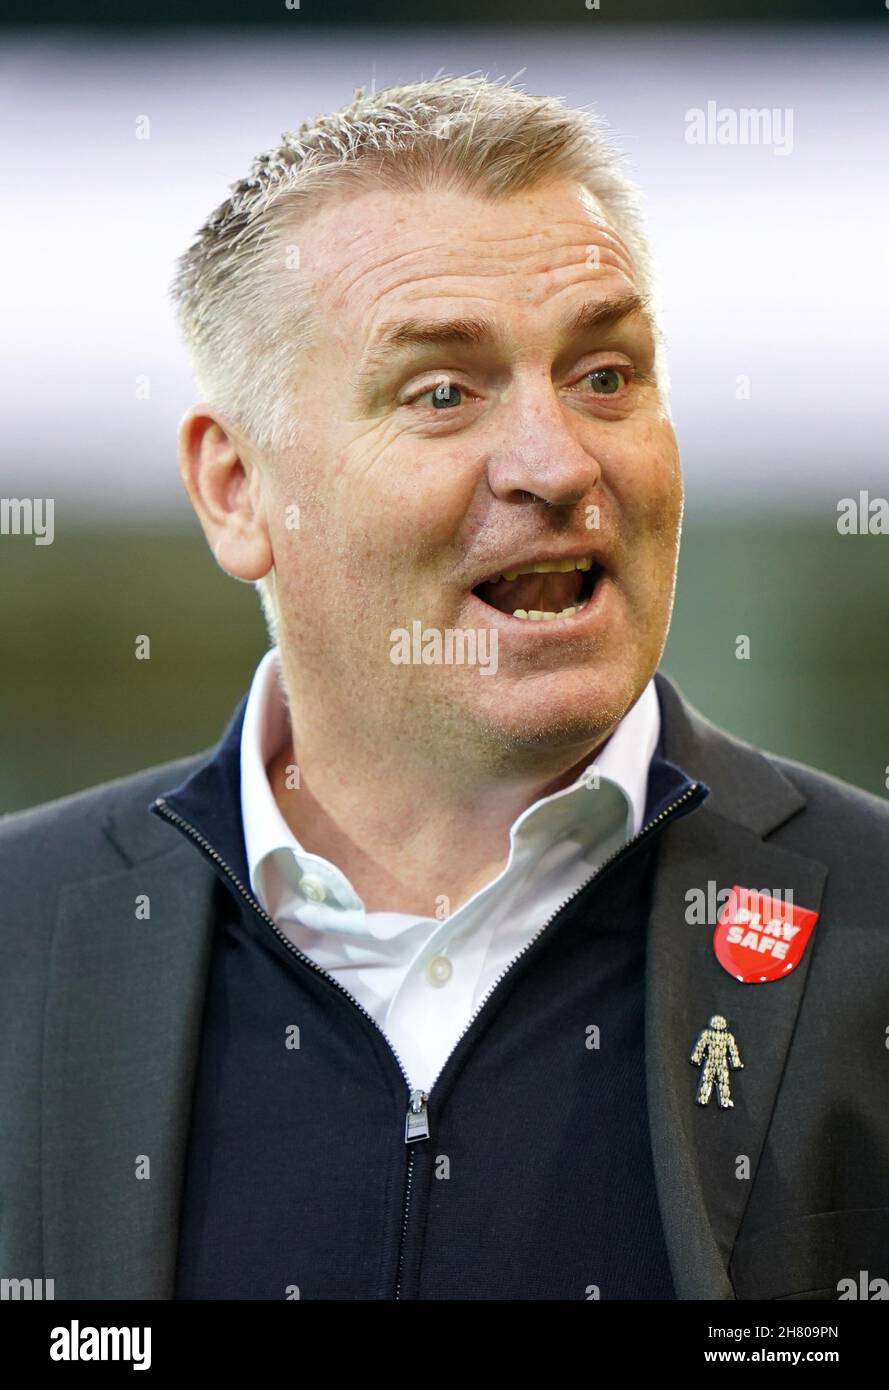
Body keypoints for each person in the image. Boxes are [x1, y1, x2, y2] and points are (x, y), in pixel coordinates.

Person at [2, 75, 888, 1302]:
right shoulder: (19, 940)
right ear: (237, 488)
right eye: (441, 393)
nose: (557, 461)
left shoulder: (872, 924)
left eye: (605, 374)